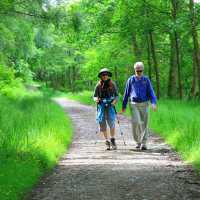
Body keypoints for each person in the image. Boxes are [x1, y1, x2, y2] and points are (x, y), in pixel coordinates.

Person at [122, 62, 157, 150]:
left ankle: (144, 143)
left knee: (144, 124)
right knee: (136, 122)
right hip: (134, 104)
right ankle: (138, 141)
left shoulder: (146, 80)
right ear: (135, 70)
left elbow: (151, 92)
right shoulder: (131, 80)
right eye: (137, 71)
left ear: (143, 70)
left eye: (140, 71)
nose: (139, 72)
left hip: (144, 104)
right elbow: (126, 93)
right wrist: (124, 106)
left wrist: (153, 103)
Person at [93, 68, 119, 150]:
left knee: (111, 122)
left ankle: (112, 139)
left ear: (108, 75)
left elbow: (117, 95)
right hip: (101, 106)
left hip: (110, 106)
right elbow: (94, 96)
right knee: (102, 123)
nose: (105, 76)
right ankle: (107, 140)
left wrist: (115, 101)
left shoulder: (112, 84)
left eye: (106, 74)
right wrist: (96, 99)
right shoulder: (98, 85)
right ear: (100, 76)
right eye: (103, 75)